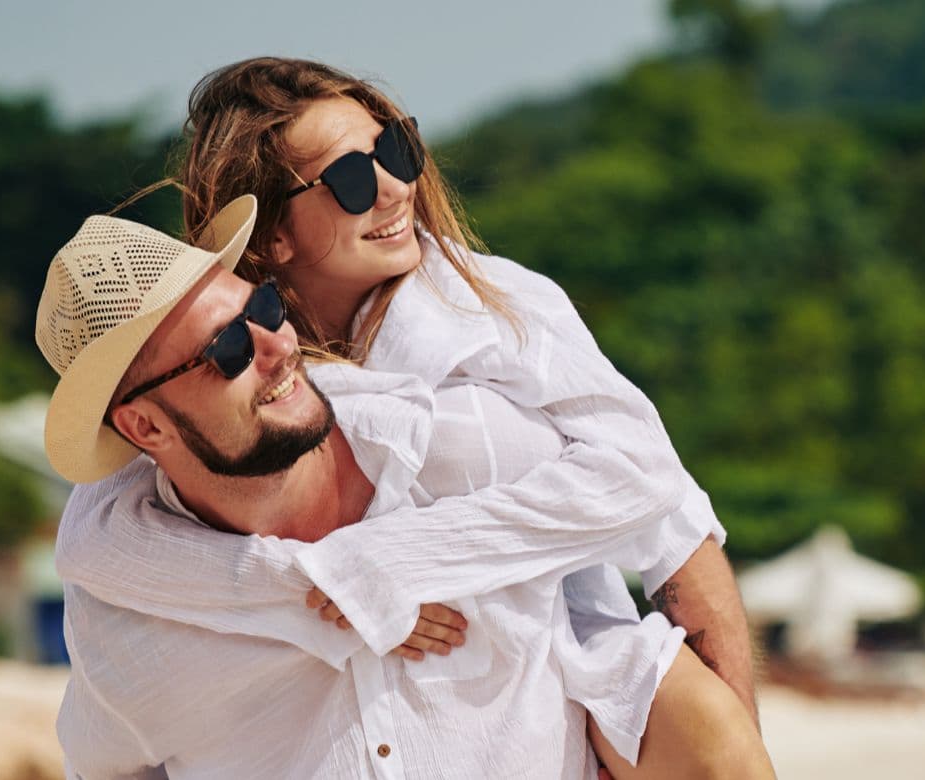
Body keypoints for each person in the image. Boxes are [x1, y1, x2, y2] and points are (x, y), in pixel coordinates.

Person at [40, 202, 771, 777]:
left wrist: (399, 559)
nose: (276, 346)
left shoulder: (450, 445)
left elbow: (649, 488)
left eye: (262, 311)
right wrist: (301, 588)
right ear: (143, 425)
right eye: (225, 350)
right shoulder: (128, 624)